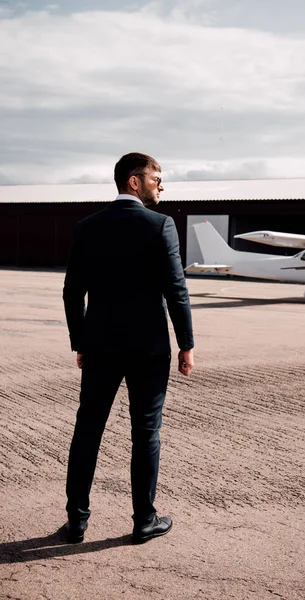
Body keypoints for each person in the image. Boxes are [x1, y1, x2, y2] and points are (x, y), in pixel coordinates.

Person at [62, 152, 194, 544]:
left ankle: (77, 520)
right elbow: (176, 289)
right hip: (148, 349)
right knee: (146, 432)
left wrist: (81, 342)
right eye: (157, 178)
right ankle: (143, 520)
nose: (161, 185)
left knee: (88, 429)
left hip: (100, 345)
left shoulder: (88, 226)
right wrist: (186, 343)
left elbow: (72, 291)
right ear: (134, 182)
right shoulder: (160, 225)